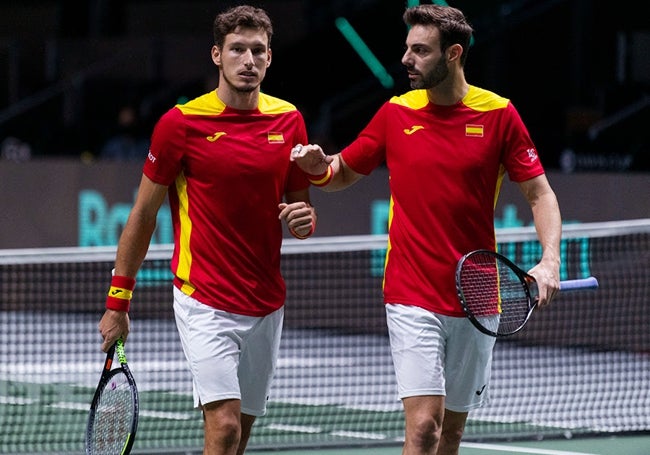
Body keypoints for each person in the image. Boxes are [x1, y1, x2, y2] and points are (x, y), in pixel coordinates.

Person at [290, 4, 561, 455]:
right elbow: (341, 172)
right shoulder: (395, 113)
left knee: (451, 433)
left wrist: (550, 260)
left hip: (477, 296)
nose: (406, 59)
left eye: (420, 50)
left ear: (453, 53)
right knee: (423, 429)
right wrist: (319, 168)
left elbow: (541, 194)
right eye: (407, 48)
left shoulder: (499, 114)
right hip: (411, 291)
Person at [98, 5, 317, 454]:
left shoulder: (289, 121)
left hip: (266, 302)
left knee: (243, 434)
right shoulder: (180, 125)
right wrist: (118, 300)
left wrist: (304, 220)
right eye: (237, 49)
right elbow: (142, 214)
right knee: (225, 428)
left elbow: (299, 206)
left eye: (258, 50)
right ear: (217, 55)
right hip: (205, 301)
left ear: (270, 57)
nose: (248, 60)